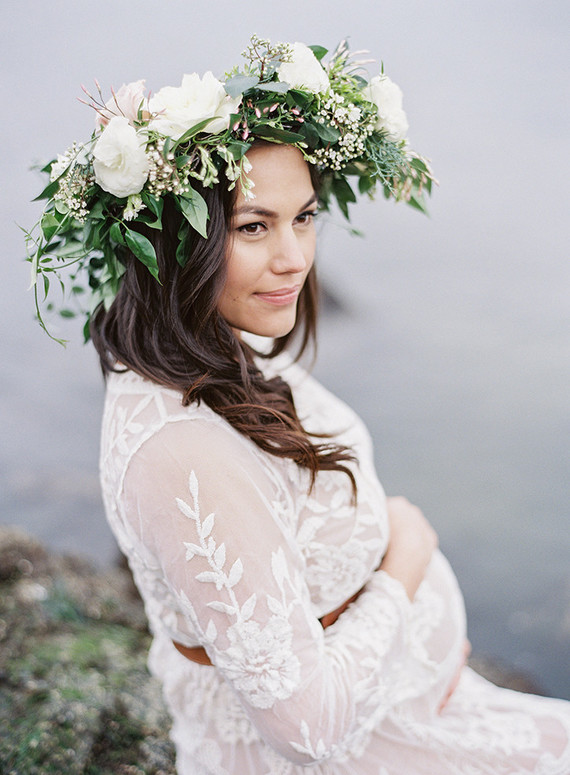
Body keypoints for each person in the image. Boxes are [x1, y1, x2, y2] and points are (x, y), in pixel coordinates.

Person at [28, 36, 570, 775]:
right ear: (176, 237)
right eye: (254, 226)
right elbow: (307, 726)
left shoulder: (216, 341)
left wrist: (419, 647)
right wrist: (405, 564)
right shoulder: (180, 447)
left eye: (304, 217)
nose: (295, 258)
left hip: (408, 708)